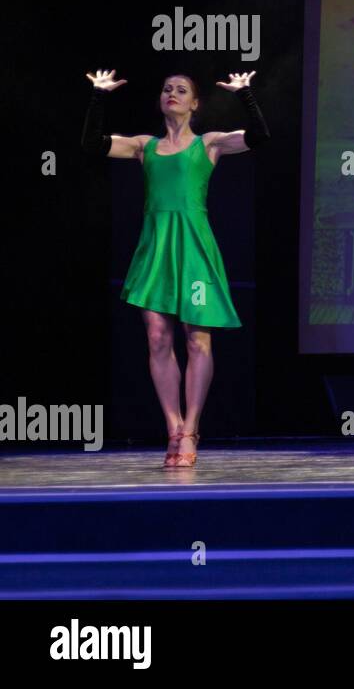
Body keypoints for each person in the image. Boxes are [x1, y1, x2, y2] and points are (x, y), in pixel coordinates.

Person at [81, 68, 269, 468]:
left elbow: (259, 137)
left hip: (195, 247)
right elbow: (92, 144)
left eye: (182, 90)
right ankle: (173, 428)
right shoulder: (143, 145)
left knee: (197, 340)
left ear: (195, 103)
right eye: (167, 88)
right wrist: (99, 96)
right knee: (156, 338)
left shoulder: (210, 143)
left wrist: (246, 95)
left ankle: (192, 430)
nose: (173, 93)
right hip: (156, 247)